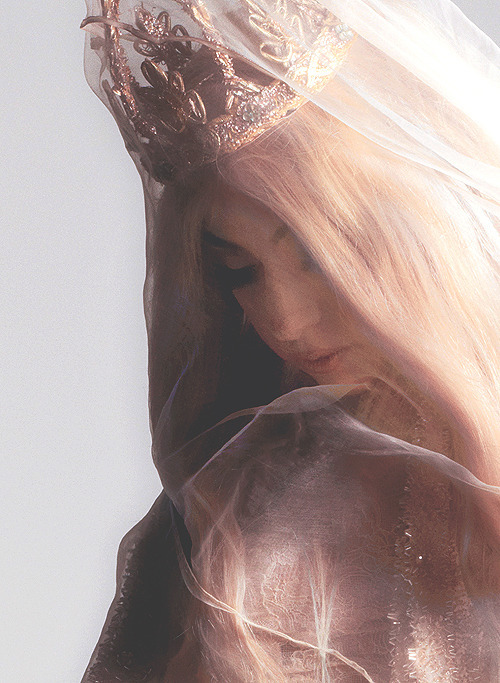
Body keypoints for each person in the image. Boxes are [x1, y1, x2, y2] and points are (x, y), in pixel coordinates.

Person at [81, 0, 500, 680]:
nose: (283, 323)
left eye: (316, 255)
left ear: (417, 227)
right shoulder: (241, 514)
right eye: (238, 271)